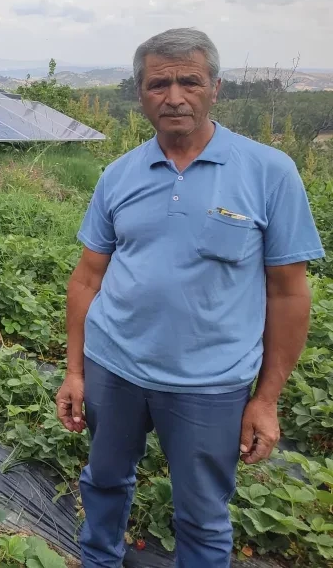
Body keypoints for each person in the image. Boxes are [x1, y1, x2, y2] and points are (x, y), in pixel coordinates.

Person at [55, 28, 325, 568]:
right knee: (104, 480)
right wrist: (75, 370)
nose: (174, 96)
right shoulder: (119, 174)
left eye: (190, 82)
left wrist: (266, 399)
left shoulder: (269, 172)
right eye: (158, 84)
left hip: (211, 384)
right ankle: (98, 559)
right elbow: (87, 278)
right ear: (140, 93)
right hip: (115, 369)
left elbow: (289, 294)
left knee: (202, 515)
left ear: (215, 88)